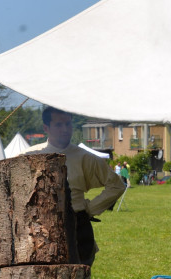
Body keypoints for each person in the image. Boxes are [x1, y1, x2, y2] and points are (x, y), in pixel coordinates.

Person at [25, 106, 125, 266]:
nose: (65, 129)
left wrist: (89, 209)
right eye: (58, 125)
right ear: (46, 128)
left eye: (68, 124)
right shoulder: (30, 157)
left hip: (78, 229)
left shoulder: (85, 157)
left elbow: (117, 185)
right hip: (42, 229)